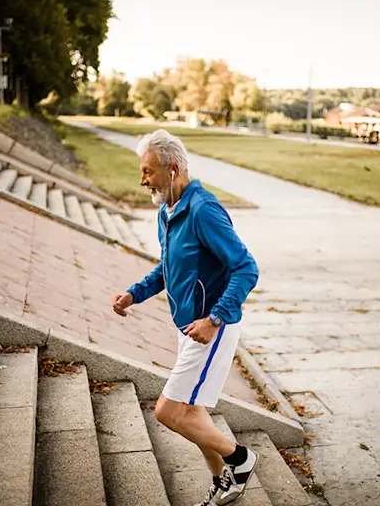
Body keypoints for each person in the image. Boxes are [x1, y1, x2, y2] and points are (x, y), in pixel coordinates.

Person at [112, 129, 259, 506]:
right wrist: (135, 293)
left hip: (211, 329)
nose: (142, 179)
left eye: (148, 171)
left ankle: (240, 460)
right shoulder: (168, 211)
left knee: (169, 411)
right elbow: (167, 268)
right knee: (191, 412)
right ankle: (222, 481)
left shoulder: (203, 210)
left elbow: (246, 268)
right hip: (188, 328)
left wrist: (214, 319)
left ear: (173, 169)